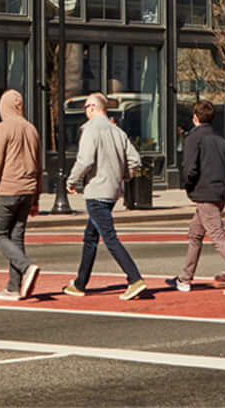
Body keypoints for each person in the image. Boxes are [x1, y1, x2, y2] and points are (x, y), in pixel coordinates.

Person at [61, 92, 150, 301]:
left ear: (92, 107)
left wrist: (71, 180)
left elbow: (85, 160)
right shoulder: (117, 131)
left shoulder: (90, 130)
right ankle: (80, 283)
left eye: (85, 107)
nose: (85, 111)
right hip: (112, 191)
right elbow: (135, 161)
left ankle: (134, 278)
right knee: (91, 237)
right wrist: (124, 176)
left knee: (108, 237)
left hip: (96, 191)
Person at [173, 100, 225, 296]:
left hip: (204, 193)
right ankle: (185, 278)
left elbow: (190, 168)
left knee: (218, 237)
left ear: (195, 117)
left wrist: (189, 185)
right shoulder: (221, 139)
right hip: (219, 193)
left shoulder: (194, 138)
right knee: (195, 234)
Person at [0, 88, 42, 301]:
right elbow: (39, 166)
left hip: (8, 189)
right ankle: (14, 287)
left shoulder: (3, 128)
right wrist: (36, 198)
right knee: (17, 237)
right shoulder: (32, 129)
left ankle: (26, 267)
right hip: (28, 191)